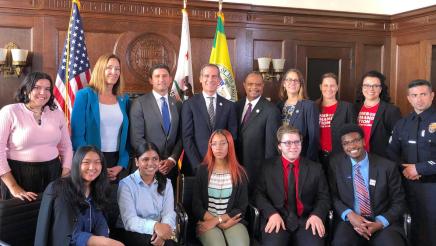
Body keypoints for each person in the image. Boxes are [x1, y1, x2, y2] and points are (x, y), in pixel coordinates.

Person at [329, 124, 406, 246]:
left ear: (363, 141)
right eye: (346, 143)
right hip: (351, 222)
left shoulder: (387, 166)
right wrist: (349, 214)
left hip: (382, 222)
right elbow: (332, 196)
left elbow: (399, 201)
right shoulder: (335, 164)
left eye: (356, 140)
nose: (352, 146)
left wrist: (380, 222)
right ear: (342, 146)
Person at [0, 71, 73, 201]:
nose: (43, 92)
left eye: (47, 89)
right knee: (20, 219)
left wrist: (64, 175)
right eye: (37, 88)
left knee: (50, 218)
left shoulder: (57, 114)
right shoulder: (10, 112)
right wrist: (13, 186)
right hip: (18, 175)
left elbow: (66, 147)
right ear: (25, 90)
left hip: (53, 174)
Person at [255, 125, 330, 246]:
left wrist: (317, 215)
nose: (293, 146)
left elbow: (324, 197)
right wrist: (271, 214)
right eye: (288, 143)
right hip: (277, 218)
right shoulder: (267, 167)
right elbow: (258, 195)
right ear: (279, 146)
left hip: (307, 220)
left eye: (297, 142)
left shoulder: (315, 168)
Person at [34, 145, 124, 246]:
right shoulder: (60, 188)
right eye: (86, 162)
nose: (92, 167)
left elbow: (100, 220)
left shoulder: (98, 188)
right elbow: (65, 233)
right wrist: (98, 241)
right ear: (76, 163)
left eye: (97, 162)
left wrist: (104, 238)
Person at [387, 79, 436, 246]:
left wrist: (419, 168)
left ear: (432, 96)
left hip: (432, 186)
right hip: (406, 185)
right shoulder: (402, 124)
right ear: (409, 98)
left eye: (423, 94)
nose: (419, 99)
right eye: (414, 95)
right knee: (408, 229)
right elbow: (391, 154)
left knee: (430, 231)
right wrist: (406, 170)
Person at [193, 129, 249, 246]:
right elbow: (197, 206)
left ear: (230, 145)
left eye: (223, 143)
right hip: (207, 221)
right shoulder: (202, 171)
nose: (218, 147)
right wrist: (217, 223)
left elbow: (241, 208)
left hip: (231, 221)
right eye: (214, 143)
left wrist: (219, 220)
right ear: (210, 147)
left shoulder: (240, 173)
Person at [129, 64, 182, 189]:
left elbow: (181, 137)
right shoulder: (139, 103)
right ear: (151, 80)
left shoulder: (178, 104)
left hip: (170, 169)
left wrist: (172, 160)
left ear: (170, 79)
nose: (161, 79)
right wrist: (154, 161)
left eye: (164, 76)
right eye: (157, 76)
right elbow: (137, 139)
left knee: (167, 206)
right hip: (146, 167)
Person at [181, 64, 237, 176]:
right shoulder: (189, 104)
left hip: (222, 166)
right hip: (195, 166)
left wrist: (222, 162)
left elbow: (232, 137)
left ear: (219, 80)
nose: (210, 79)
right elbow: (187, 138)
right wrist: (198, 166)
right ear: (200, 79)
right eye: (206, 76)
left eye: (214, 76)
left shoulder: (229, 106)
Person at [117, 142, 176, 246]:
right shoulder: (126, 185)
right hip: (132, 231)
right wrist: (155, 226)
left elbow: (168, 213)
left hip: (159, 229)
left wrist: (162, 232)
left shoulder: (167, 183)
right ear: (136, 162)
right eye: (145, 159)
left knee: (169, 243)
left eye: (155, 159)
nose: (151, 163)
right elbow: (130, 221)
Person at [235, 71, 280, 195]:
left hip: (256, 171)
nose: (254, 87)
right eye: (250, 84)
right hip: (235, 167)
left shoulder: (271, 110)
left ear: (263, 86)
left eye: (258, 84)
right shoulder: (236, 106)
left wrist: (267, 175)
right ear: (244, 85)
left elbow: (271, 148)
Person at [354, 70, 401, 158]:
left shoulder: (391, 111)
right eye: (367, 85)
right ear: (362, 88)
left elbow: (398, 139)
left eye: (375, 86)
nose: (371, 89)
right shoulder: (354, 108)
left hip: (381, 159)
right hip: (356, 158)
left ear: (381, 88)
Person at [316, 72, 355, 173]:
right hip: (317, 157)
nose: (329, 89)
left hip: (341, 156)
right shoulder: (312, 107)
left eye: (332, 85)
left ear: (337, 87)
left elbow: (353, 134)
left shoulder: (347, 107)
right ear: (320, 87)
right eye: (325, 85)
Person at [277, 68, 319, 161]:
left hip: (302, 158)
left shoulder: (309, 106)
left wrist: (308, 160)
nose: (292, 82)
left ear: (301, 85)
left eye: (296, 80)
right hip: (281, 158)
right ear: (284, 83)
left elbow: (314, 137)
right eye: (289, 80)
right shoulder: (278, 106)